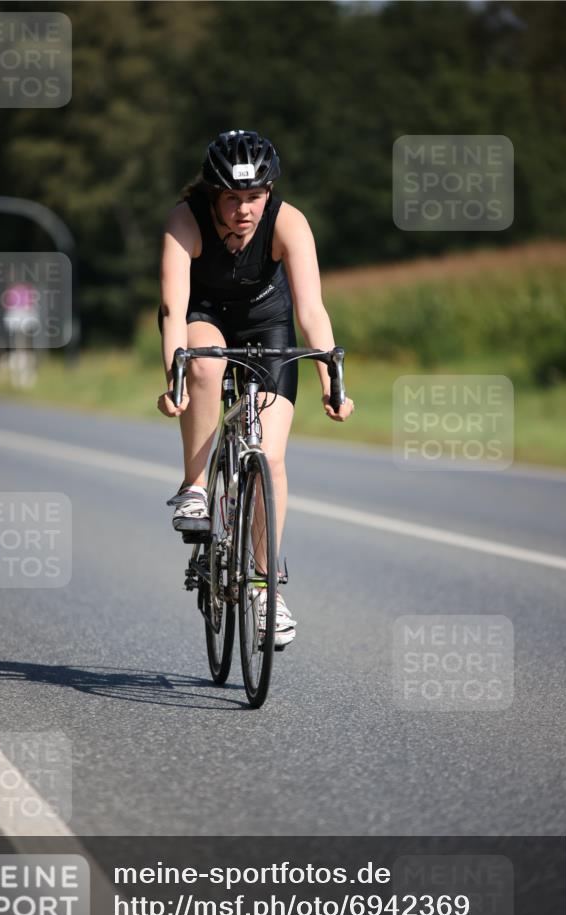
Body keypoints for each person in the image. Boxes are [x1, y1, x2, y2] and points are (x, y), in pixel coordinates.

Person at [157, 129, 354, 647]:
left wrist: (331, 382)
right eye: (231, 198)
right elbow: (173, 309)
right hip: (204, 316)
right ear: (211, 194)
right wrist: (174, 379)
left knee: (270, 455)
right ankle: (195, 488)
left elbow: (311, 311)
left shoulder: (288, 222)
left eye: (254, 197)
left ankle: (266, 592)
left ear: (269, 192)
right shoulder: (185, 221)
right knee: (206, 367)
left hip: (268, 325)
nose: (244, 210)